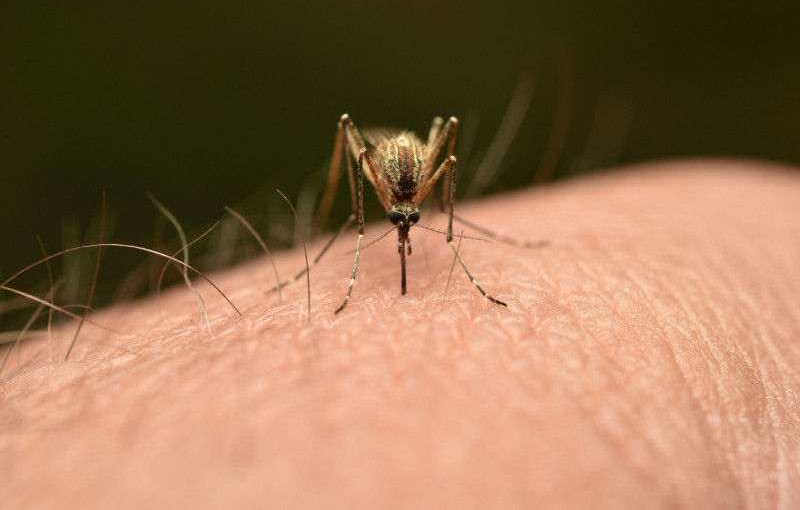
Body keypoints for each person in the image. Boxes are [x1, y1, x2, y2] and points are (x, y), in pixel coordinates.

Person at [2, 159, 798, 508]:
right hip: (381, 166)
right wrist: (356, 241)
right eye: (401, 223)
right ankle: (345, 227)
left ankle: (465, 237)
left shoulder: (423, 194)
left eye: (407, 223)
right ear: (393, 204)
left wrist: (473, 258)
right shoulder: (388, 189)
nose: (406, 236)